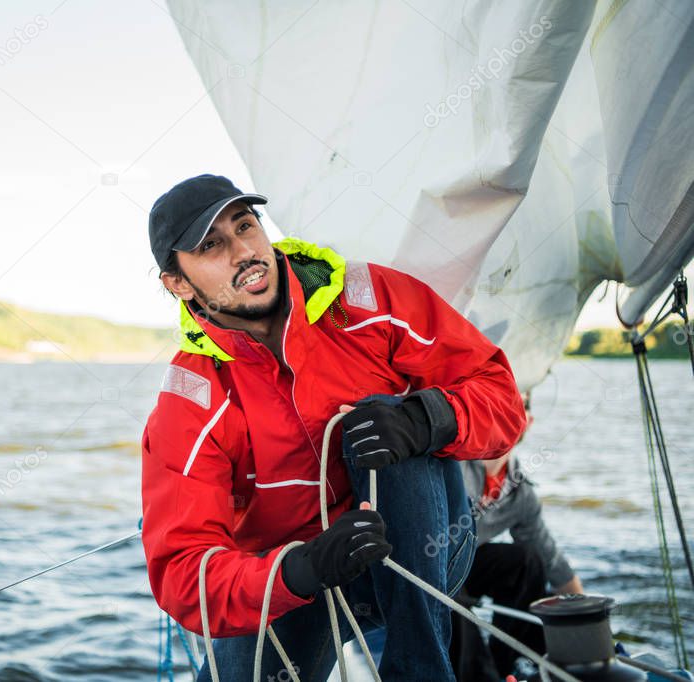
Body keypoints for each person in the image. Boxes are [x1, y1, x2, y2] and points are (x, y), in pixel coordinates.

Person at [140, 174, 527, 681]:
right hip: (299, 581)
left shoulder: (369, 301)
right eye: (211, 246)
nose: (243, 252)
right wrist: (300, 569)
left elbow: (500, 396)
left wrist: (423, 420)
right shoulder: (192, 400)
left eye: (245, 226)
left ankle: (420, 674)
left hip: (423, 552)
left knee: (383, 413)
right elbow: (182, 571)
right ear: (179, 283)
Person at [450, 396, 583, 680]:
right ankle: (478, 677)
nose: (512, 410)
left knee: (527, 561)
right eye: (505, 399)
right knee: (449, 582)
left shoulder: (521, 493)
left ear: (529, 422)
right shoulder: (454, 464)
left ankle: (505, 666)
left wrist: (589, 623)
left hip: (469, 564)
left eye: (521, 404)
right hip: (430, 564)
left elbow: (552, 561)